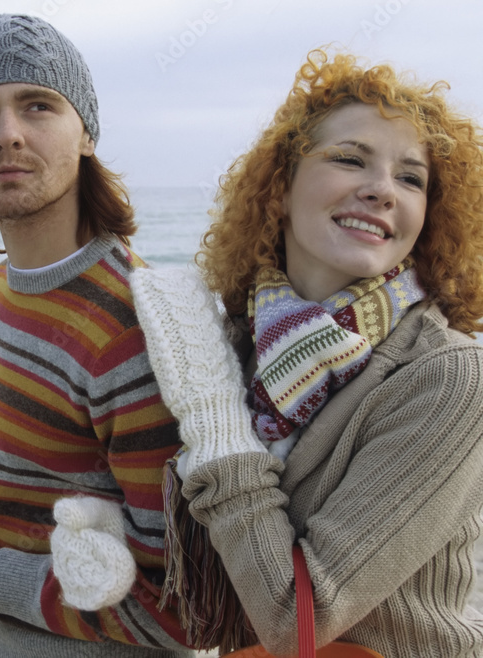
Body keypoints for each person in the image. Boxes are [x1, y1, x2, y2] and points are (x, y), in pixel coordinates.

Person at [57, 50, 483, 657]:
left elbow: (296, 622)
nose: (382, 190)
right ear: (280, 188)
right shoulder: (233, 343)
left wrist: (219, 430)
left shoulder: (447, 376)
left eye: (411, 178)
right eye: (349, 159)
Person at [0, 14, 195, 658]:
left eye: (37, 105)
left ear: (88, 133)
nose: (7, 134)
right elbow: (32, 459)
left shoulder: (133, 327)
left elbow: (178, 608)